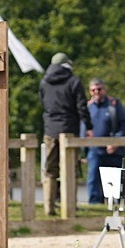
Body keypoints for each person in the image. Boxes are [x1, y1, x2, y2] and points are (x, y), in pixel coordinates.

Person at [38, 52, 91, 216]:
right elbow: (82, 106)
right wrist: (89, 126)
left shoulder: (44, 82)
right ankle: (70, 206)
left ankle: (49, 207)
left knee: (50, 168)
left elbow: (43, 103)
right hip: (69, 130)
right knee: (70, 169)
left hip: (50, 130)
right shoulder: (74, 81)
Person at [85, 79, 125, 205]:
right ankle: (94, 207)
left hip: (113, 151)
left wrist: (116, 141)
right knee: (93, 181)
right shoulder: (88, 107)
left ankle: (120, 208)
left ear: (104, 89)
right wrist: (84, 152)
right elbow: (83, 129)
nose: (96, 92)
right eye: (93, 90)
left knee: (117, 188)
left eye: (99, 89)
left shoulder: (114, 104)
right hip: (94, 151)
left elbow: (124, 124)